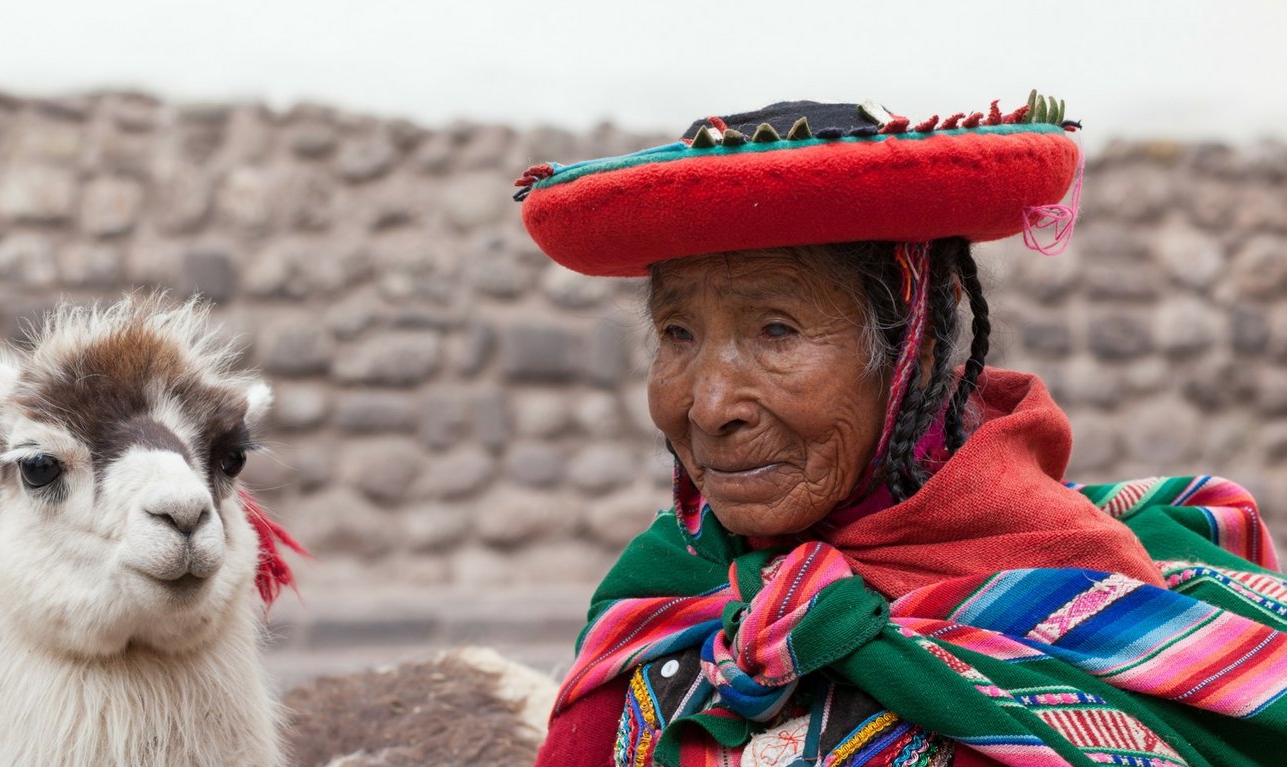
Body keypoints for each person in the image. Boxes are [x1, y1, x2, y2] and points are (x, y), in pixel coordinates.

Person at [512, 95, 1287, 766]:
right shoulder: (661, 599)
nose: (711, 404)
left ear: (907, 352)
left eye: (777, 331)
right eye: (678, 334)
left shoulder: (1085, 598)